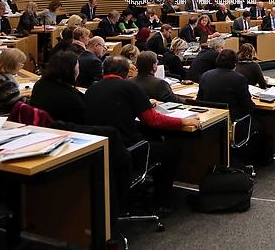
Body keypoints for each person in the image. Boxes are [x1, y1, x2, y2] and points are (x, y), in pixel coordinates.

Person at [84, 56, 200, 209]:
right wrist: (183, 121)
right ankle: (161, 202)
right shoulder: (129, 87)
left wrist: (143, 103)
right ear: (126, 72)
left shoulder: (92, 89)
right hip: (129, 149)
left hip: (101, 150)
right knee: (172, 151)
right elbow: (153, 120)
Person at [29, 50, 85, 123]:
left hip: (37, 125)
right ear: (71, 71)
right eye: (78, 68)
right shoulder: (73, 98)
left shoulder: (39, 85)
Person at [197, 50, 253, 120]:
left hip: (209, 118)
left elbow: (199, 100)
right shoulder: (239, 79)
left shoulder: (205, 75)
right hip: (232, 119)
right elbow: (248, 106)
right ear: (235, 64)